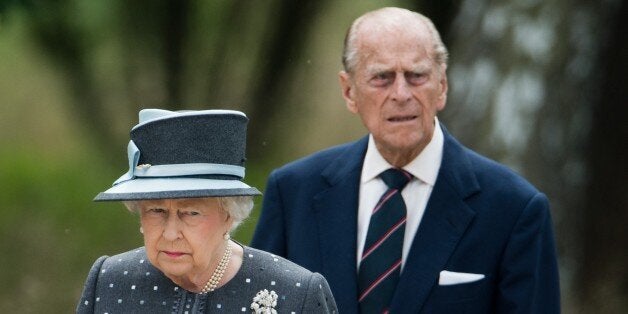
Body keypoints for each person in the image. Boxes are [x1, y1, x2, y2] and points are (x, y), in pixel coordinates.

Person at [251, 7, 560, 314]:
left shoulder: (514, 209)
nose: (401, 93)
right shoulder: (293, 193)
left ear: (442, 86)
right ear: (349, 91)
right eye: (382, 77)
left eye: (416, 76)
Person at [76, 109, 338, 313]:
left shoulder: (296, 293)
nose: (170, 234)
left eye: (191, 213)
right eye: (156, 210)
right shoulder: (110, 280)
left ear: (229, 215)